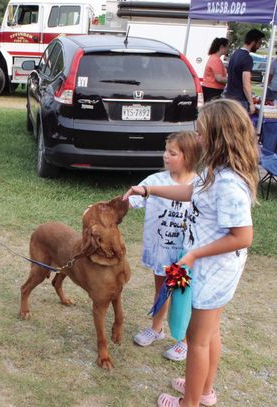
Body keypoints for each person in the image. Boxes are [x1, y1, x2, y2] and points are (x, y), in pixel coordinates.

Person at [123, 98, 259, 407]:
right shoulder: (216, 171)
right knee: (209, 334)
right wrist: (148, 189)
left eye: (200, 133)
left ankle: (190, 402)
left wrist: (194, 256)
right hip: (209, 268)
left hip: (212, 272)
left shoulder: (229, 183)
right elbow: (191, 193)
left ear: (218, 136)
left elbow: (243, 236)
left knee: (197, 340)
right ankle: (205, 390)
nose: (196, 138)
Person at [130, 131, 202, 362]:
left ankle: (185, 341)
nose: (165, 156)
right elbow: (129, 200)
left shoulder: (199, 185)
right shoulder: (154, 181)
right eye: (165, 151)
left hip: (184, 258)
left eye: (172, 153)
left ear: (189, 156)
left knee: (184, 297)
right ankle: (156, 328)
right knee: (161, 291)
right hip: (160, 253)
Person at [224, 29, 265, 114]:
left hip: (229, 97)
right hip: (239, 101)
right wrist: (251, 103)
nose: (259, 46)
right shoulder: (247, 58)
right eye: (259, 43)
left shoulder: (235, 54)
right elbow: (246, 84)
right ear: (253, 42)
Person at [201, 37, 228, 102]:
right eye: (227, 47)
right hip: (213, 91)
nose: (228, 49)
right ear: (221, 47)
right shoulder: (216, 60)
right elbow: (219, 78)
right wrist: (232, 80)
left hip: (210, 90)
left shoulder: (213, 58)